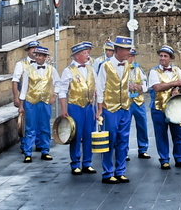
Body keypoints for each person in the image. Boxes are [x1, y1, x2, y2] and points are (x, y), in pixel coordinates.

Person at [95, 36, 134, 183]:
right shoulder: (105, 66)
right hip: (110, 108)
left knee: (123, 139)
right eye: (126, 49)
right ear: (118, 50)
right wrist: (99, 109)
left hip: (125, 107)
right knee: (109, 140)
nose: (129, 52)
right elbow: (100, 87)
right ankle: (107, 172)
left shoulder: (127, 65)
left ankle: (120, 171)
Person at [147, 45, 181, 169]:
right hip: (159, 107)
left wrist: (178, 87)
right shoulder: (154, 71)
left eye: (165, 56)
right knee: (161, 134)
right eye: (161, 56)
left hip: (175, 107)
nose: (162, 58)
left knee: (179, 133)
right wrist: (174, 83)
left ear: (171, 58)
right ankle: (164, 159)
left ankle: (180, 158)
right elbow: (157, 87)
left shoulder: (176, 69)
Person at [58, 41, 96, 175]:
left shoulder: (91, 68)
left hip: (89, 106)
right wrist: (63, 109)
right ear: (77, 55)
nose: (87, 55)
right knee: (75, 134)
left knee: (89, 134)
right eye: (85, 53)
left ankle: (87, 162)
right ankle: (75, 163)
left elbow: (96, 87)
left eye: (87, 53)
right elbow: (62, 91)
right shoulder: (68, 71)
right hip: (75, 106)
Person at [20, 45, 56, 163]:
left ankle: (45, 150)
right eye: (37, 55)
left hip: (45, 101)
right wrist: (21, 105)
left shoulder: (51, 69)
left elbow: (58, 83)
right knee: (30, 127)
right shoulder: (28, 70)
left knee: (45, 126)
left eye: (40, 56)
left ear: (45, 57)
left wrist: (54, 95)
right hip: (31, 102)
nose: (38, 57)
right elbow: (24, 88)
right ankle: (28, 152)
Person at [127, 49, 150, 159]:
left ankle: (143, 149)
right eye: (128, 56)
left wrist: (139, 87)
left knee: (142, 125)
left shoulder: (138, 69)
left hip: (138, 101)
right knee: (124, 127)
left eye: (132, 56)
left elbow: (145, 86)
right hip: (126, 102)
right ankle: (124, 151)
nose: (130, 58)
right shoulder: (120, 69)